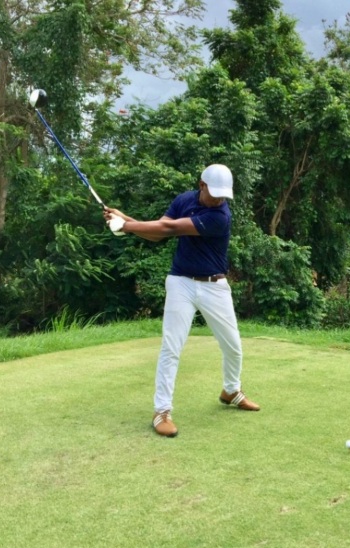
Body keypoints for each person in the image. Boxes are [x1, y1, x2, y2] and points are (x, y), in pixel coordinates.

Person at [103, 163, 260, 438]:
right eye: (215, 193)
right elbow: (157, 234)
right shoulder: (184, 200)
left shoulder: (220, 216)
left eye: (223, 195)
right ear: (202, 185)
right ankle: (162, 411)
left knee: (233, 346)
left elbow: (170, 228)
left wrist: (125, 225)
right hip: (181, 283)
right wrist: (125, 220)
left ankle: (231, 390)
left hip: (214, 286)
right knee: (171, 347)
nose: (219, 199)